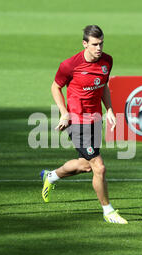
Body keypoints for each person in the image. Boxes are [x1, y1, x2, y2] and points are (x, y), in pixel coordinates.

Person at [40, 25, 128, 224]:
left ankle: (51, 176)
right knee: (99, 166)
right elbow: (56, 86)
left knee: (85, 165)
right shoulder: (70, 65)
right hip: (77, 121)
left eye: (102, 43)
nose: (99, 48)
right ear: (85, 44)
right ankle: (108, 211)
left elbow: (103, 86)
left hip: (94, 119)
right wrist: (64, 113)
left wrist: (110, 110)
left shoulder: (107, 61)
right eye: (95, 44)